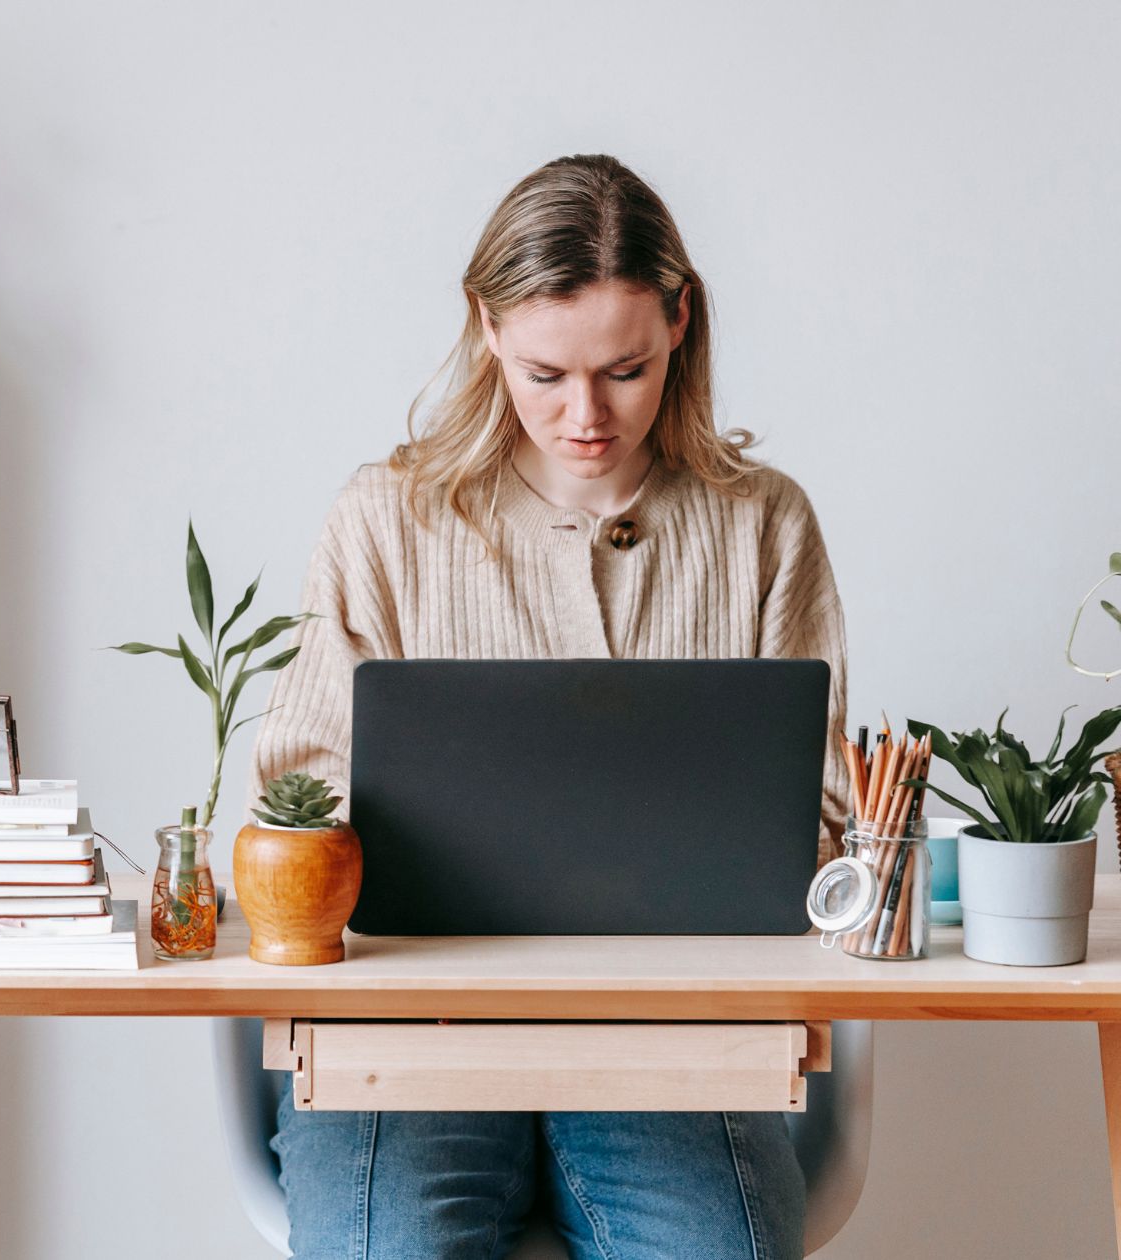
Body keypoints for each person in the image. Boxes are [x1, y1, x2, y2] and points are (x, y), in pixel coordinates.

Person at [249, 153, 850, 1260]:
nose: (584, 415)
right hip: (404, 1041)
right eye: (544, 374)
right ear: (483, 326)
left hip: (674, 1048)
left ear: (679, 320)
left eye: (622, 370)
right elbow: (297, 782)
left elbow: (818, 824)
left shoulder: (763, 523)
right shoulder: (382, 517)